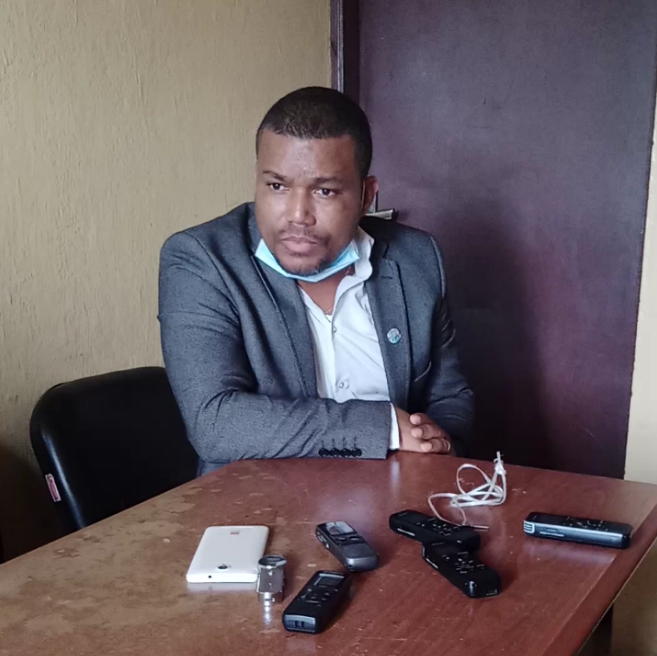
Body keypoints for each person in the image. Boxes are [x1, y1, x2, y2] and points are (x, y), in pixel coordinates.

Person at [159, 87, 474, 476]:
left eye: (324, 191)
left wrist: (437, 445)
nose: (297, 215)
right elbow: (215, 421)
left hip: (398, 500)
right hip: (256, 504)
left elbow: (450, 398)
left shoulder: (416, 259)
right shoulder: (202, 260)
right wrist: (386, 427)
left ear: (366, 196)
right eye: (277, 186)